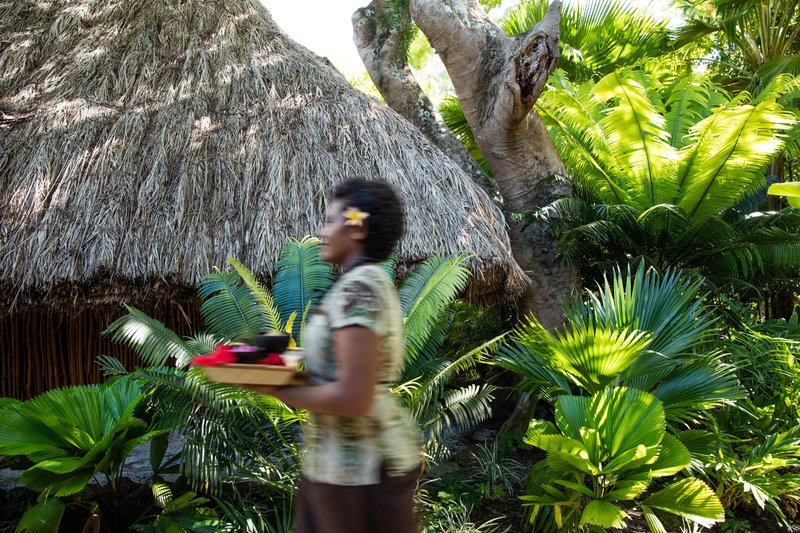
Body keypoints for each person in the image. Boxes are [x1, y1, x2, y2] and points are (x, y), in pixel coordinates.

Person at [248, 178, 422, 533]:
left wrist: (275, 388)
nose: (321, 232)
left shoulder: (360, 289)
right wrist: (280, 372)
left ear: (357, 227)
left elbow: (353, 397)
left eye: (330, 221)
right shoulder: (357, 284)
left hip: (363, 474)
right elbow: (338, 376)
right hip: (336, 470)